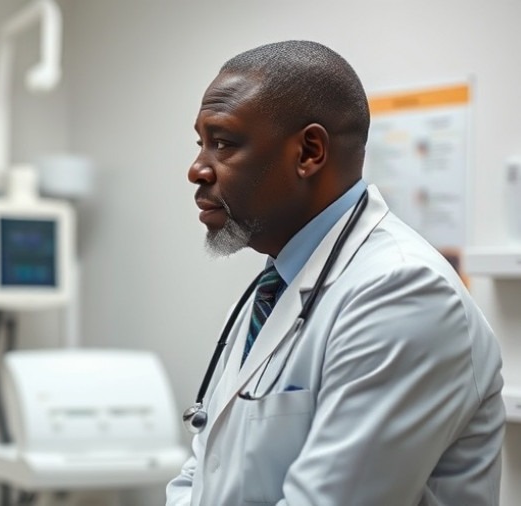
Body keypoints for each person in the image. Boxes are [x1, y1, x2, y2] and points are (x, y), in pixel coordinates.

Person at [168, 41, 504, 505]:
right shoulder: (272, 291)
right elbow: (202, 470)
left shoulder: (402, 293)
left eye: (223, 143)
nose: (197, 169)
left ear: (309, 152)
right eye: (200, 143)